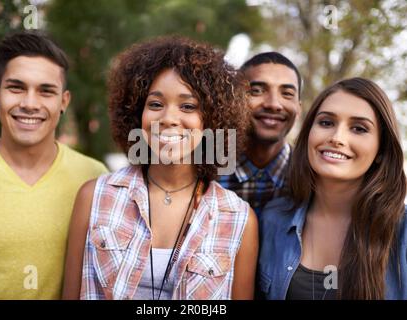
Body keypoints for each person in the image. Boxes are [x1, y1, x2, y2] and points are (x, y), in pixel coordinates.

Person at [62, 36, 258, 300]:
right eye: (155, 104)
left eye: (188, 106)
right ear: (135, 114)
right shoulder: (94, 198)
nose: (168, 119)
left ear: (212, 120)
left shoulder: (237, 219)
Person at [0, 31, 107, 299]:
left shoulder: (96, 179)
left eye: (46, 91)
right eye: (16, 88)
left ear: (63, 102)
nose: (29, 103)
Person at [257, 77, 407, 299]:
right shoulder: (272, 219)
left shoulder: (402, 232)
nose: (337, 138)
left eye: (358, 128)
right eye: (326, 123)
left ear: (381, 150)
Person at [218, 52, 302, 217]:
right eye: (257, 91)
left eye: (287, 94)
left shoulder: (310, 179)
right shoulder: (203, 167)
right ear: (234, 101)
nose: (273, 104)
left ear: (299, 108)